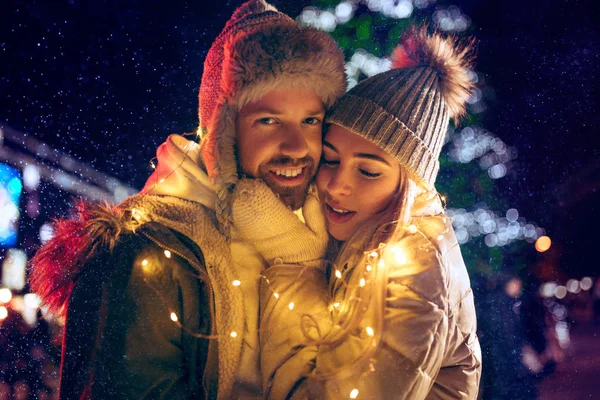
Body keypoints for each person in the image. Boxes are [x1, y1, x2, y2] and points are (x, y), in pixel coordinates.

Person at [29, 0, 346, 399]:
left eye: (310, 120)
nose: (297, 146)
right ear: (222, 129)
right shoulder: (148, 250)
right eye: (268, 120)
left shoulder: (312, 238)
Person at [230, 26, 482, 399]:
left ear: (409, 184)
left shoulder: (414, 269)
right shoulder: (362, 239)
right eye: (330, 159)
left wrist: (293, 264)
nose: (335, 185)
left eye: (367, 171)